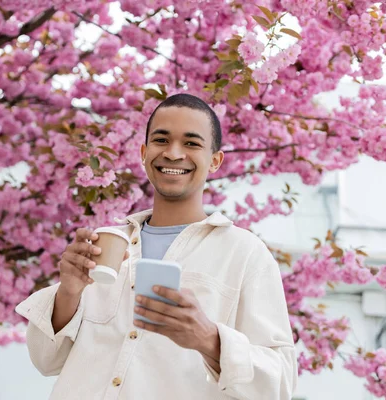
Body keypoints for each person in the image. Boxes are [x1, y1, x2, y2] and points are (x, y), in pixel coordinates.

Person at [15, 93, 297, 399]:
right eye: (162, 140)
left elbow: (279, 384)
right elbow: (45, 361)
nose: (174, 153)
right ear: (143, 151)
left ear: (215, 160)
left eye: (191, 143)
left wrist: (209, 339)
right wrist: (68, 292)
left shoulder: (244, 253)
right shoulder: (103, 245)